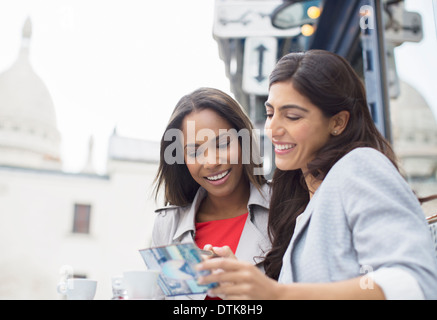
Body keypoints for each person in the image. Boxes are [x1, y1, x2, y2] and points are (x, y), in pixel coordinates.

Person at [196, 50, 437, 300]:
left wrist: (277, 293)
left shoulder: (359, 165)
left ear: (338, 123)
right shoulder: (301, 201)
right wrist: (248, 288)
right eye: (270, 114)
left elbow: (410, 283)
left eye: (292, 116)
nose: (273, 129)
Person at [152, 87, 271, 300]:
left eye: (223, 144)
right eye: (194, 151)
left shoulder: (285, 206)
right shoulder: (167, 225)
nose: (212, 162)